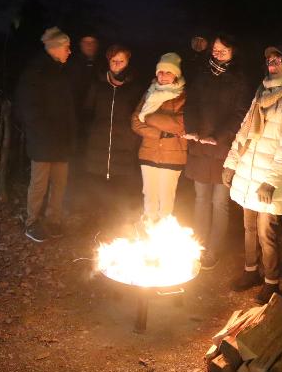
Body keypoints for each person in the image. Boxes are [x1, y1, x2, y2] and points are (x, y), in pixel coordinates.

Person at [223, 43, 282, 304]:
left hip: (269, 177)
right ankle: (251, 271)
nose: (272, 62)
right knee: (248, 227)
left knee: (266, 231)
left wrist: (270, 180)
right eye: (270, 58)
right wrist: (231, 162)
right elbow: (244, 130)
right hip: (250, 170)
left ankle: (272, 282)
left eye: (279, 59)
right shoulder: (262, 93)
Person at [183, 33, 247, 270]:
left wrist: (218, 136)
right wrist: (192, 129)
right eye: (216, 49)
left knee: (219, 202)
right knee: (201, 199)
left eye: (224, 50)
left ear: (233, 52)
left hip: (222, 149)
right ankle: (198, 246)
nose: (218, 53)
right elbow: (190, 104)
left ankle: (213, 250)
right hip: (200, 148)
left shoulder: (239, 79)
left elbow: (240, 113)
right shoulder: (201, 75)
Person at [14, 26, 77, 242]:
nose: (70, 51)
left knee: (60, 183)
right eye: (67, 47)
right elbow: (29, 108)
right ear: (56, 48)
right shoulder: (36, 72)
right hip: (43, 140)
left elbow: (66, 107)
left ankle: (53, 220)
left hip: (61, 140)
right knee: (39, 183)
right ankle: (32, 222)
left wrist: (69, 133)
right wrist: (44, 132)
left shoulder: (60, 71)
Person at [82, 44, 142, 228]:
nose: (117, 65)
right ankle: (98, 229)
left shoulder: (135, 88)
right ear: (108, 62)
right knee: (98, 192)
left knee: (121, 194)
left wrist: (132, 139)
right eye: (113, 61)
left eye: (121, 61)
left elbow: (139, 116)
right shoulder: (98, 85)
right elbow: (87, 112)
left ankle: (119, 227)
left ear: (128, 62)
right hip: (98, 148)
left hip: (124, 148)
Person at [131, 52, 187, 223]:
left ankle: (163, 233)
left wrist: (149, 118)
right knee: (149, 196)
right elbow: (135, 122)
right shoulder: (149, 93)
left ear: (176, 75)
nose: (163, 76)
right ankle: (148, 231)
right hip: (148, 152)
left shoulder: (183, 95)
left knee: (166, 198)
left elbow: (181, 124)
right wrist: (161, 133)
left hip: (173, 154)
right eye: (160, 72)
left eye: (168, 72)